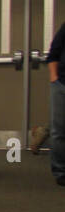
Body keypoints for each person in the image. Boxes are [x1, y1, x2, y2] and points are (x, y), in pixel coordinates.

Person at [48, 22, 65, 185]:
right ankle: (60, 172)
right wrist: (54, 79)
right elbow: (53, 55)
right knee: (59, 130)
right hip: (62, 84)